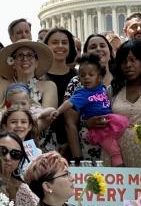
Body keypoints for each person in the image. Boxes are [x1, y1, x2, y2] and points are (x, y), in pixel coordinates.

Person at [52, 54, 130, 166]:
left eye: (91, 75)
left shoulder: (102, 88)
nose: (86, 77)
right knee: (112, 148)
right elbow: (69, 102)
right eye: (83, 75)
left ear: (99, 77)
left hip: (109, 120)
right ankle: (119, 165)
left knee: (123, 125)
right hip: (97, 127)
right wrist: (58, 111)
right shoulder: (82, 92)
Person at [65, 33, 115, 163]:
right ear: (86, 53)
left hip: (119, 147)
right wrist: (78, 159)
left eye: (102, 45)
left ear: (110, 51)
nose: (98, 49)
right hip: (89, 149)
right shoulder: (77, 82)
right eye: (93, 47)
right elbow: (70, 123)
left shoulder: (121, 80)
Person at [0, 40, 59, 131]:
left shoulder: (49, 86)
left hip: (39, 140)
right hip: (6, 138)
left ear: (37, 62)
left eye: (30, 55)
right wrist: (7, 139)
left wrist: (23, 135)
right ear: (12, 62)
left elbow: (48, 118)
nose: (25, 59)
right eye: (20, 55)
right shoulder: (2, 84)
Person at [43, 27, 78, 152]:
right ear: (46, 46)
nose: (60, 46)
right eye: (55, 42)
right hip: (46, 143)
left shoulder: (78, 77)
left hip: (75, 143)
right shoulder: (38, 78)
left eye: (64, 42)